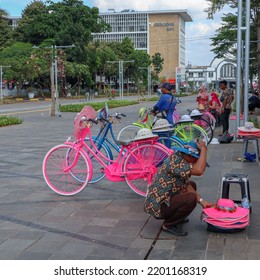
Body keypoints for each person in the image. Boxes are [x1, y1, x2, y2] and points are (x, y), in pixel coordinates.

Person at [144, 140, 214, 236]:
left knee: (191, 185)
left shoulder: (180, 158)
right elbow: (199, 170)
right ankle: (168, 225)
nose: (196, 163)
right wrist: (204, 149)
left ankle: (177, 216)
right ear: (189, 156)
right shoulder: (176, 163)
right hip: (158, 206)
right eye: (196, 160)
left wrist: (202, 202)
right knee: (191, 198)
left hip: (165, 199)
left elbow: (186, 185)